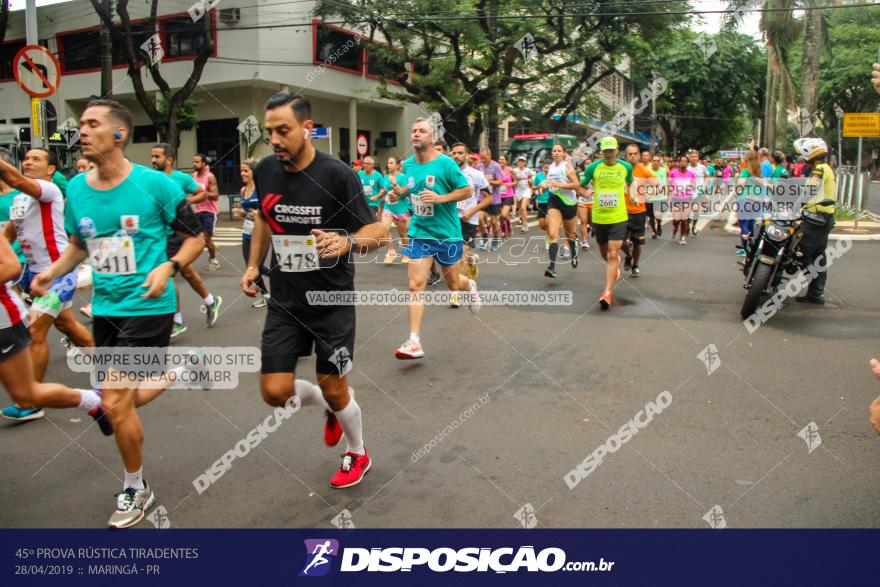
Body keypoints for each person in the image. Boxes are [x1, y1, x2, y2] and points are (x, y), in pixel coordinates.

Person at [30, 99, 206, 527]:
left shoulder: (156, 186)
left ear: (119, 135)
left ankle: (136, 487)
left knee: (115, 400)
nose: (82, 131)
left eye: (93, 124)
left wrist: (170, 265)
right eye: (82, 124)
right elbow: (77, 244)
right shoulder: (76, 188)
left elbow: (195, 237)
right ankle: (175, 372)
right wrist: (50, 274)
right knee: (118, 403)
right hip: (105, 310)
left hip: (149, 305)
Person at [241, 92, 387, 488]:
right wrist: (254, 266)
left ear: (308, 128)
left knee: (336, 387)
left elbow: (379, 231)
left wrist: (347, 242)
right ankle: (333, 408)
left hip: (331, 301)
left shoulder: (336, 174)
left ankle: (357, 451)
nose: (275, 138)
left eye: (283, 130)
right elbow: (263, 221)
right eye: (269, 131)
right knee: (274, 392)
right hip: (285, 301)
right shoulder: (266, 169)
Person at [0, 148, 95, 424]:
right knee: (67, 325)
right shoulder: (19, 200)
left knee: (34, 331)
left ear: (50, 169)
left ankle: (31, 402)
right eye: (26, 158)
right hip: (35, 276)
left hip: (59, 275)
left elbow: (16, 180)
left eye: (35, 159)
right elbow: (7, 236)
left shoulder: (48, 190)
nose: (28, 162)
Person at [395, 118, 479, 360]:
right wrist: (400, 193)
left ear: (432, 137)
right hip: (420, 233)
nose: (416, 134)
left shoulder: (446, 164)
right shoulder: (408, 166)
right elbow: (412, 190)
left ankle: (470, 286)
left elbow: (466, 190)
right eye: (413, 130)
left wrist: (440, 198)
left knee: (454, 284)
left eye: (422, 131)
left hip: (447, 233)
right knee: (415, 285)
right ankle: (414, 341)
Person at [151, 144, 222, 335]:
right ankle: (210, 301)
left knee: (167, 275)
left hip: (177, 233)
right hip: (160, 233)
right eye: (152, 156)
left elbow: (202, 193)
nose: (153, 160)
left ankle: (177, 320)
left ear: (169, 160)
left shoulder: (181, 178)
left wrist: (185, 202)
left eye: (157, 157)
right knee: (188, 273)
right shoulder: (152, 179)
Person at [580, 137, 632, 308]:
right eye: (606, 151)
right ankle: (614, 267)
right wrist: (585, 192)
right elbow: (581, 185)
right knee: (605, 253)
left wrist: (633, 196)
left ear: (617, 150)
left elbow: (631, 182)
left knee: (613, 252)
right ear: (601, 151)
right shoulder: (593, 167)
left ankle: (607, 293)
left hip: (618, 217)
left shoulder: (626, 167)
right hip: (599, 217)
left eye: (612, 150)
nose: (609, 154)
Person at [793, 137, 836, 304]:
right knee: (819, 255)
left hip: (817, 219)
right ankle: (816, 293)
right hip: (825, 218)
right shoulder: (826, 168)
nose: (803, 159)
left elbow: (809, 191)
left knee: (800, 253)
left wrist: (795, 207)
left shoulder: (819, 170)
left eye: (804, 155)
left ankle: (815, 289)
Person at [450, 143, 491, 306]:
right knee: (451, 258)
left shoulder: (475, 174)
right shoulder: (448, 173)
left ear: (467, 155)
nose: (456, 156)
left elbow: (489, 198)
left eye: (460, 153)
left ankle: (456, 293)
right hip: (450, 220)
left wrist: (472, 211)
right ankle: (472, 261)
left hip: (468, 221)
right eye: (454, 153)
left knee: (461, 257)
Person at [232, 158, 269, 307]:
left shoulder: (261, 189)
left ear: (254, 172)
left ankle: (267, 293)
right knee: (250, 266)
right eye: (241, 170)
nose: (243, 173)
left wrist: (258, 213)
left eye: (246, 170)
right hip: (247, 232)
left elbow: (266, 210)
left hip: (262, 233)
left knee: (258, 267)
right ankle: (267, 292)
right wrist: (242, 213)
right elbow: (247, 212)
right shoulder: (243, 190)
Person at [541, 143, 580, 279]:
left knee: (570, 236)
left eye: (559, 151)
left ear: (564, 153)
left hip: (569, 203)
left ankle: (574, 253)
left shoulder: (567, 166)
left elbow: (576, 185)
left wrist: (559, 185)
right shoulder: (551, 167)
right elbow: (550, 183)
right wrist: (545, 186)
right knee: (553, 233)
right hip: (554, 202)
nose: (556, 153)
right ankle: (552, 267)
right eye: (554, 151)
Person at [623, 144, 658, 278]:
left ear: (639, 155)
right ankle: (628, 255)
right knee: (620, 240)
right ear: (626, 156)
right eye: (630, 154)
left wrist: (648, 193)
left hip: (639, 211)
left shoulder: (643, 170)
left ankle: (635, 265)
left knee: (637, 242)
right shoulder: (621, 169)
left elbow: (656, 183)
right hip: (622, 211)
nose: (633, 156)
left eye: (635, 154)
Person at [191, 153, 221, 271]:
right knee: (196, 237)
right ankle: (213, 247)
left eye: (197, 162)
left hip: (209, 211)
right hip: (197, 210)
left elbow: (216, 195)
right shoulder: (193, 176)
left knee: (206, 238)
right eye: (193, 161)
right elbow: (192, 192)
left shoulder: (210, 177)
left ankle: (214, 260)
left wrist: (203, 192)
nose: (194, 164)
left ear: (203, 163)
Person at [380, 156, 411, 264]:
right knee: (384, 229)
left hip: (400, 208)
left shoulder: (402, 177)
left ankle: (407, 253)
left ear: (397, 165)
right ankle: (391, 252)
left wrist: (394, 183)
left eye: (391, 163)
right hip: (388, 207)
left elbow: (404, 192)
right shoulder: (386, 176)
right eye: (388, 163)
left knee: (402, 233)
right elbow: (385, 189)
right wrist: (379, 195)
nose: (389, 165)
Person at [734, 150, 763, 256]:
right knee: (752, 224)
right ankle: (753, 247)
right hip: (756, 200)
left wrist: (737, 192)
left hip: (744, 199)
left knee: (744, 225)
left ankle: (745, 248)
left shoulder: (745, 171)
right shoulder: (759, 172)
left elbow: (741, 184)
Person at [475, 148, 503, 251]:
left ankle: (495, 239)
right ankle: (485, 237)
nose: (482, 160)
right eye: (481, 158)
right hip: (482, 198)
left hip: (494, 199)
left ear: (490, 156)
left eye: (484, 158)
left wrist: (488, 181)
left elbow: (500, 182)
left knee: (494, 222)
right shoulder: (478, 166)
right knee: (479, 218)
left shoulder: (496, 166)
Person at [668, 155, 696, 245]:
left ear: (687, 163)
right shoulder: (673, 173)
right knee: (676, 219)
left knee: (684, 219)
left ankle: (682, 237)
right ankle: (675, 228)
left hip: (687, 198)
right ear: (679, 163)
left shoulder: (691, 174)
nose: (683, 163)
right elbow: (669, 185)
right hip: (675, 199)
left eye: (685, 161)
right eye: (682, 161)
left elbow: (694, 186)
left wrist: (692, 185)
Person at [358, 156, 385, 221]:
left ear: (372, 165)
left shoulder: (378, 175)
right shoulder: (360, 174)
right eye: (364, 163)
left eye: (367, 164)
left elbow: (384, 189)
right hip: (362, 203)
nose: (365, 165)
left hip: (373, 204)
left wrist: (376, 196)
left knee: (369, 220)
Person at [512, 156, 534, 232]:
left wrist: (530, 180)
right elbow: (512, 179)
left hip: (526, 190)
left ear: (525, 162)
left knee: (523, 207)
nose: (521, 162)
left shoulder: (528, 170)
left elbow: (531, 178)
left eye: (523, 161)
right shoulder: (514, 170)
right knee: (520, 208)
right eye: (520, 161)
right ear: (517, 162)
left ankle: (525, 225)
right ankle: (521, 217)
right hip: (518, 190)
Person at [648, 154, 668, 239]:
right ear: (651, 162)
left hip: (661, 197)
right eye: (654, 161)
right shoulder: (647, 171)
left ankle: (659, 224)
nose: (656, 162)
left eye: (658, 161)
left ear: (660, 162)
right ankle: (654, 230)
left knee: (658, 214)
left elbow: (667, 181)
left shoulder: (664, 170)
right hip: (650, 198)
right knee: (651, 217)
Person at [576, 158, 593, 250]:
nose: (588, 165)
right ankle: (584, 241)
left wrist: (593, 188)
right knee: (583, 220)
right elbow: (577, 189)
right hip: (582, 201)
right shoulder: (580, 175)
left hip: (593, 201)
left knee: (591, 221)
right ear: (584, 166)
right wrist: (582, 192)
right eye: (587, 164)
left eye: (590, 163)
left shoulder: (596, 175)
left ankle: (591, 227)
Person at [498, 155, 515, 238]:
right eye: (500, 159)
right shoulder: (496, 170)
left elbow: (516, 181)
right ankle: (504, 231)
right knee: (500, 216)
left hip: (508, 195)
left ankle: (509, 225)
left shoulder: (510, 170)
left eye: (503, 159)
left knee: (504, 215)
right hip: (498, 195)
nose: (501, 161)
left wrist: (511, 184)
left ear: (506, 161)